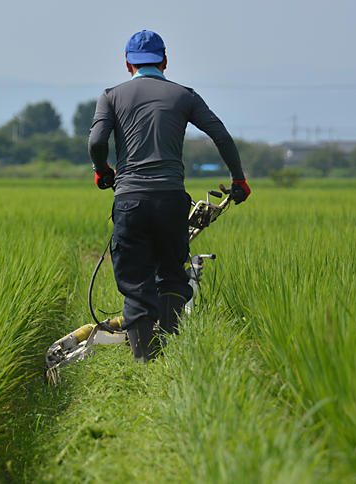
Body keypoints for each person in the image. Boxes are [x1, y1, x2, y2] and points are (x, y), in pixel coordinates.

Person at [88, 30, 251, 362]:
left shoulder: (111, 96)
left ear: (127, 63)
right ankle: (167, 346)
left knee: (135, 279)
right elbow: (220, 134)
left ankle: (145, 358)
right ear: (164, 60)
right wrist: (238, 179)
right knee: (173, 273)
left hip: (130, 200)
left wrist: (103, 170)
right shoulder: (184, 95)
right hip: (171, 199)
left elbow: (96, 141)